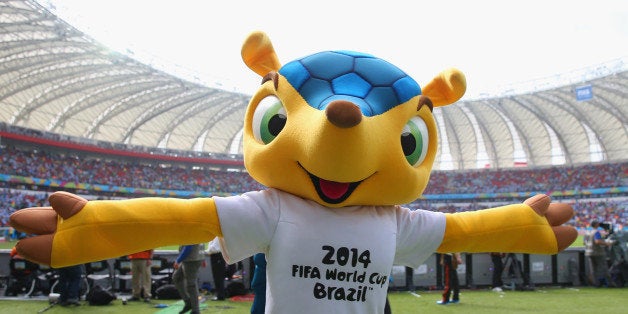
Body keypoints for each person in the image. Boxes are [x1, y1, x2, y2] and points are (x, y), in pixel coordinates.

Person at [173, 244, 205, 314]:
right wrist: (203, 258)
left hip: (190, 259)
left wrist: (178, 260)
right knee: (177, 277)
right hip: (193, 258)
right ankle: (188, 303)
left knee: (191, 285)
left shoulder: (190, 233)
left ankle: (195, 310)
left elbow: (188, 247)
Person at [584, 220, 613, 287]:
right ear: (596, 224)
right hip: (598, 252)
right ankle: (609, 283)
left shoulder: (587, 232)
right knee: (604, 267)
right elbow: (597, 241)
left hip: (589, 252)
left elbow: (584, 242)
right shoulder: (596, 232)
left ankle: (596, 283)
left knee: (593, 269)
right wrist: (607, 243)